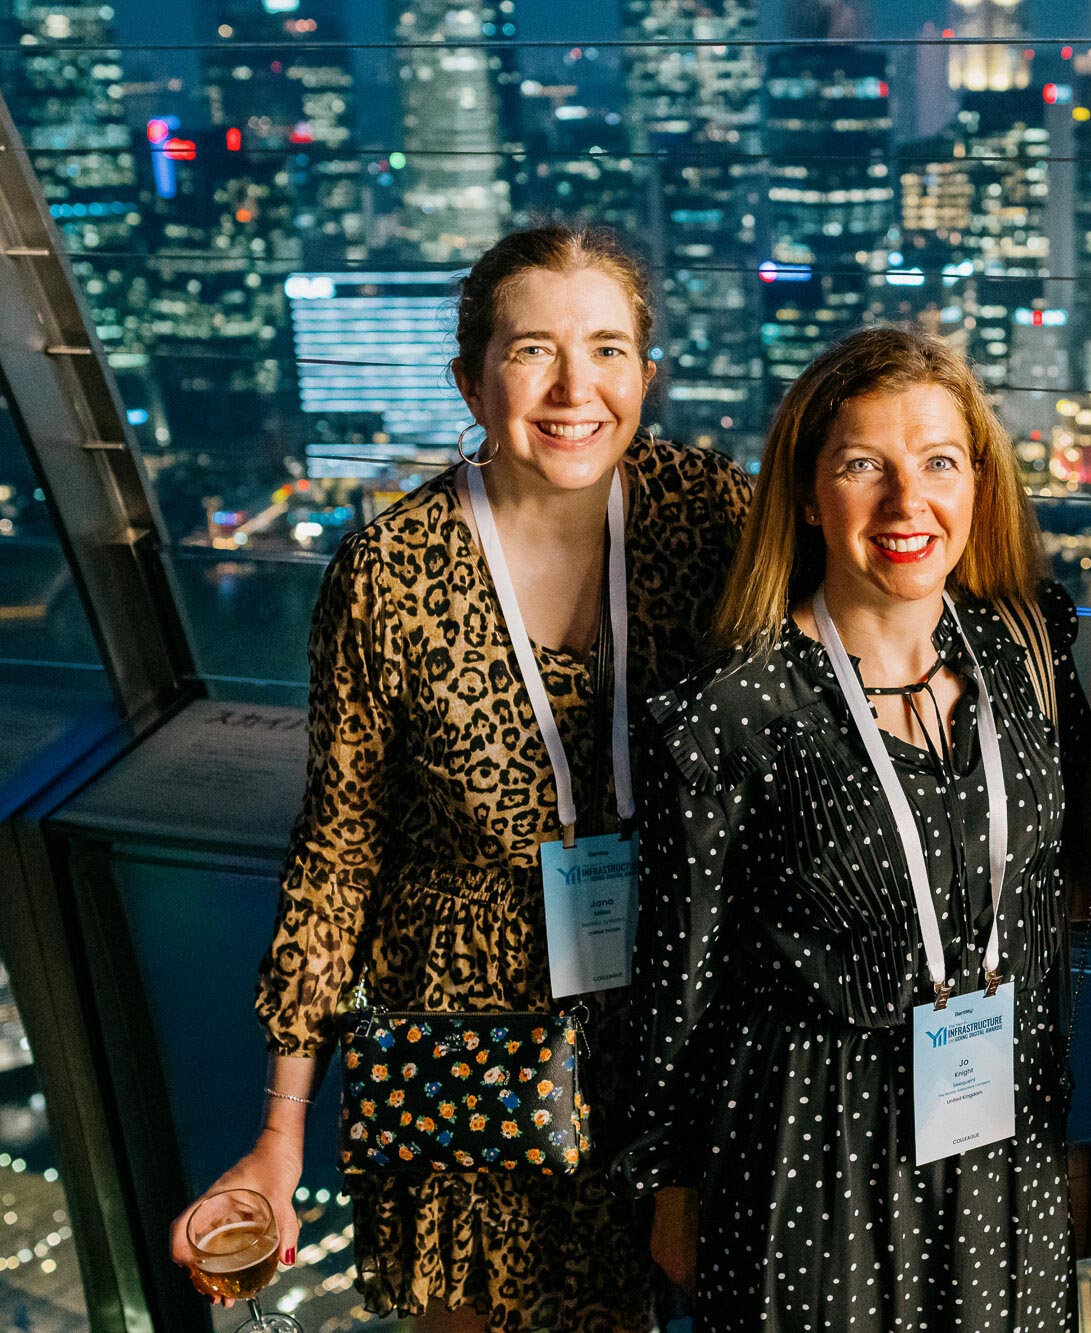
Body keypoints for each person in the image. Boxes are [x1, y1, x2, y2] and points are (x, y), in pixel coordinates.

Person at [168, 223, 751, 1331]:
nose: (575, 388)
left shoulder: (708, 516)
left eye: (608, 350)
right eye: (532, 351)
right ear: (470, 383)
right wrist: (280, 1133)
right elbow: (337, 855)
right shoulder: (386, 573)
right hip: (465, 1038)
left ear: (647, 374)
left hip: (668, 1030)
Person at [614, 327, 1090, 1331]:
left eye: (939, 463)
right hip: (810, 1158)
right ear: (804, 493)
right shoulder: (729, 710)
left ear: (980, 482)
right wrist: (671, 1187)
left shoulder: (1024, 650)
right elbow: (675, 983)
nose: (907, 502)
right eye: (863, 465)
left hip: (1003, 1145)